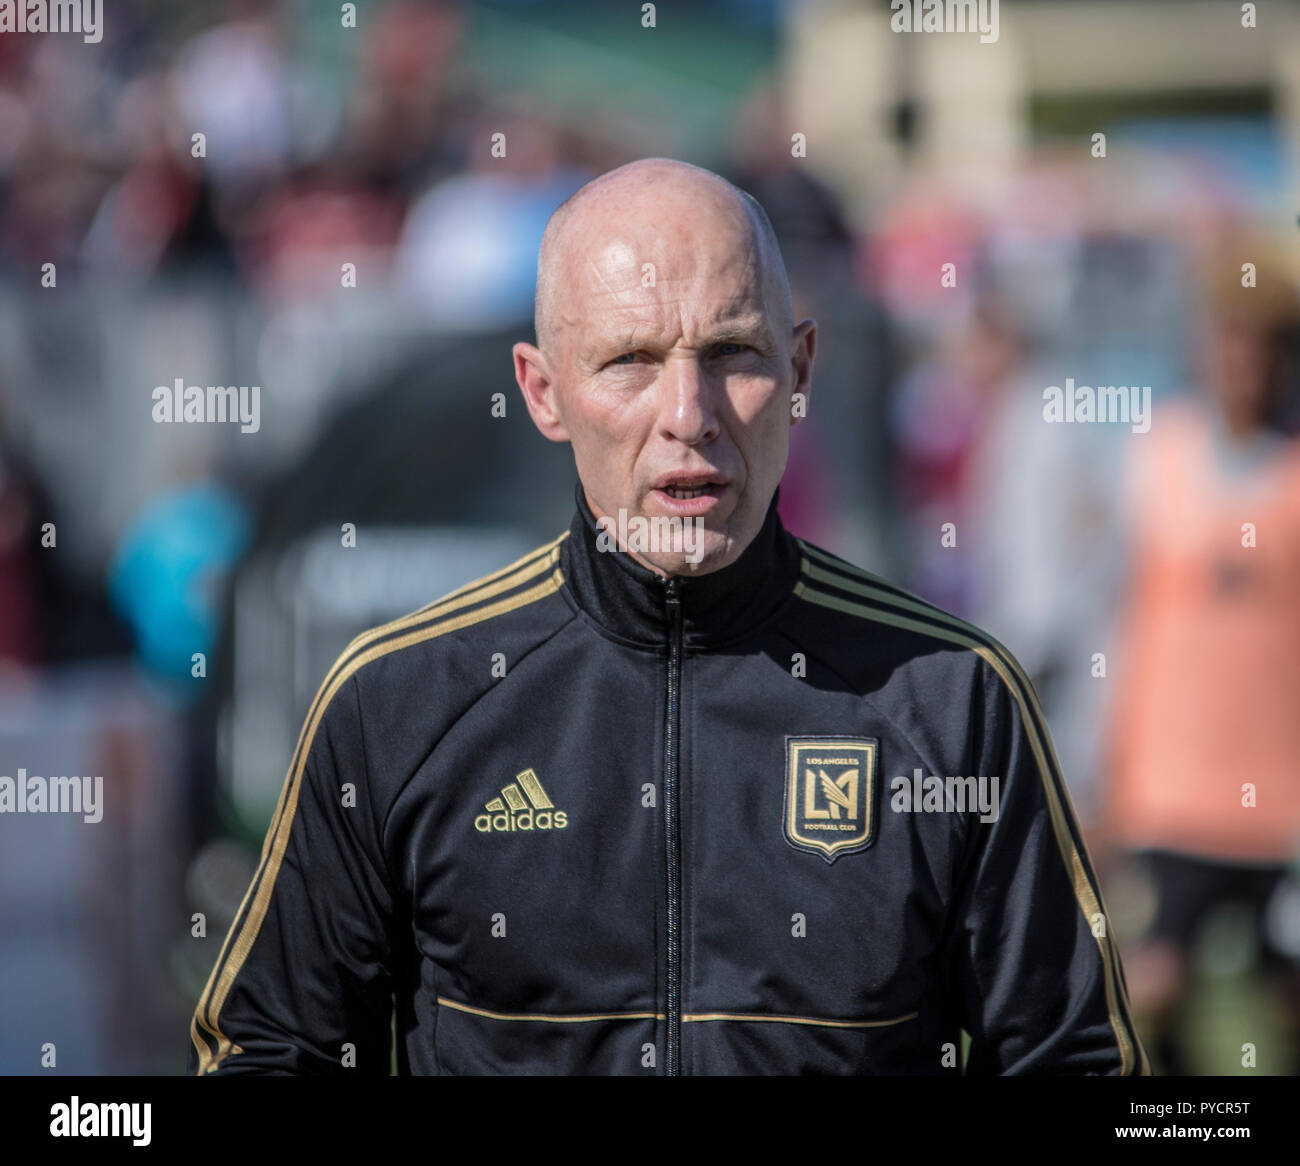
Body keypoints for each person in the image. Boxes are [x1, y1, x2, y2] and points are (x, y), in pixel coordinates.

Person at [189, 158, 1147, 1075]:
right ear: (542, 390)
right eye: (630, 361)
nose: (689, 413)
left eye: (732, 353)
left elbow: (1073, 1060)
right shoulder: (396, 703)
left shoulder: (953, 702)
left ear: (803, 368)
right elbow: (275, 1051)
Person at [1102, 246, 1300, 1075]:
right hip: (1172, 788)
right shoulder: (1156, 461)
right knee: (1155, 984)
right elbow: (1111, 625)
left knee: (1284, 994)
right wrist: (1100, 769)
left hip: (1281, 793)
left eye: (1260, 346)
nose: (1242, 365)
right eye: (1228, 342)